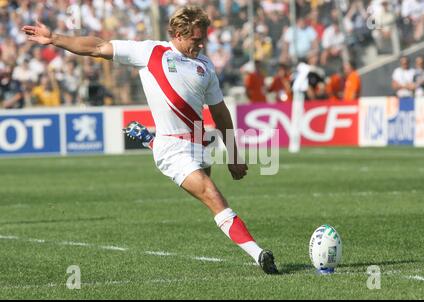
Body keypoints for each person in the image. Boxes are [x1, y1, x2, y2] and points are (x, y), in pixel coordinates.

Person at [22, 6, 278, 274]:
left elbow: (220, 112)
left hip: (201, 143)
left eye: (203, 39)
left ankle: (148, 140)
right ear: (179, 34)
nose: (201, 45)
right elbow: (98, 46)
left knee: (207, 188)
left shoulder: (205, 65)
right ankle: (259, 254)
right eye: (196, 40)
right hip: (173, 149)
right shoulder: (151, 52)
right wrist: (55, 39)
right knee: (213, 196)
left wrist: (234, 155)